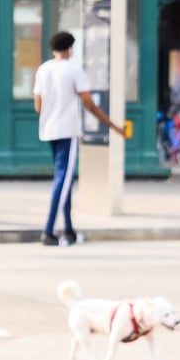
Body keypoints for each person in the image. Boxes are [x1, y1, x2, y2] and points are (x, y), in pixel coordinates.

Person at [32, 30, 130, 247]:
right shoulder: (74, 69)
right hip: (67, 131)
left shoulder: (43, 69)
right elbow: (89, 104)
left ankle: (68, 230)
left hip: (48, 130)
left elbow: (38, 106)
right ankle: (48, 231)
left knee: (64, 179)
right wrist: (113, 126)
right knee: (62, 180)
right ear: (69, 49)